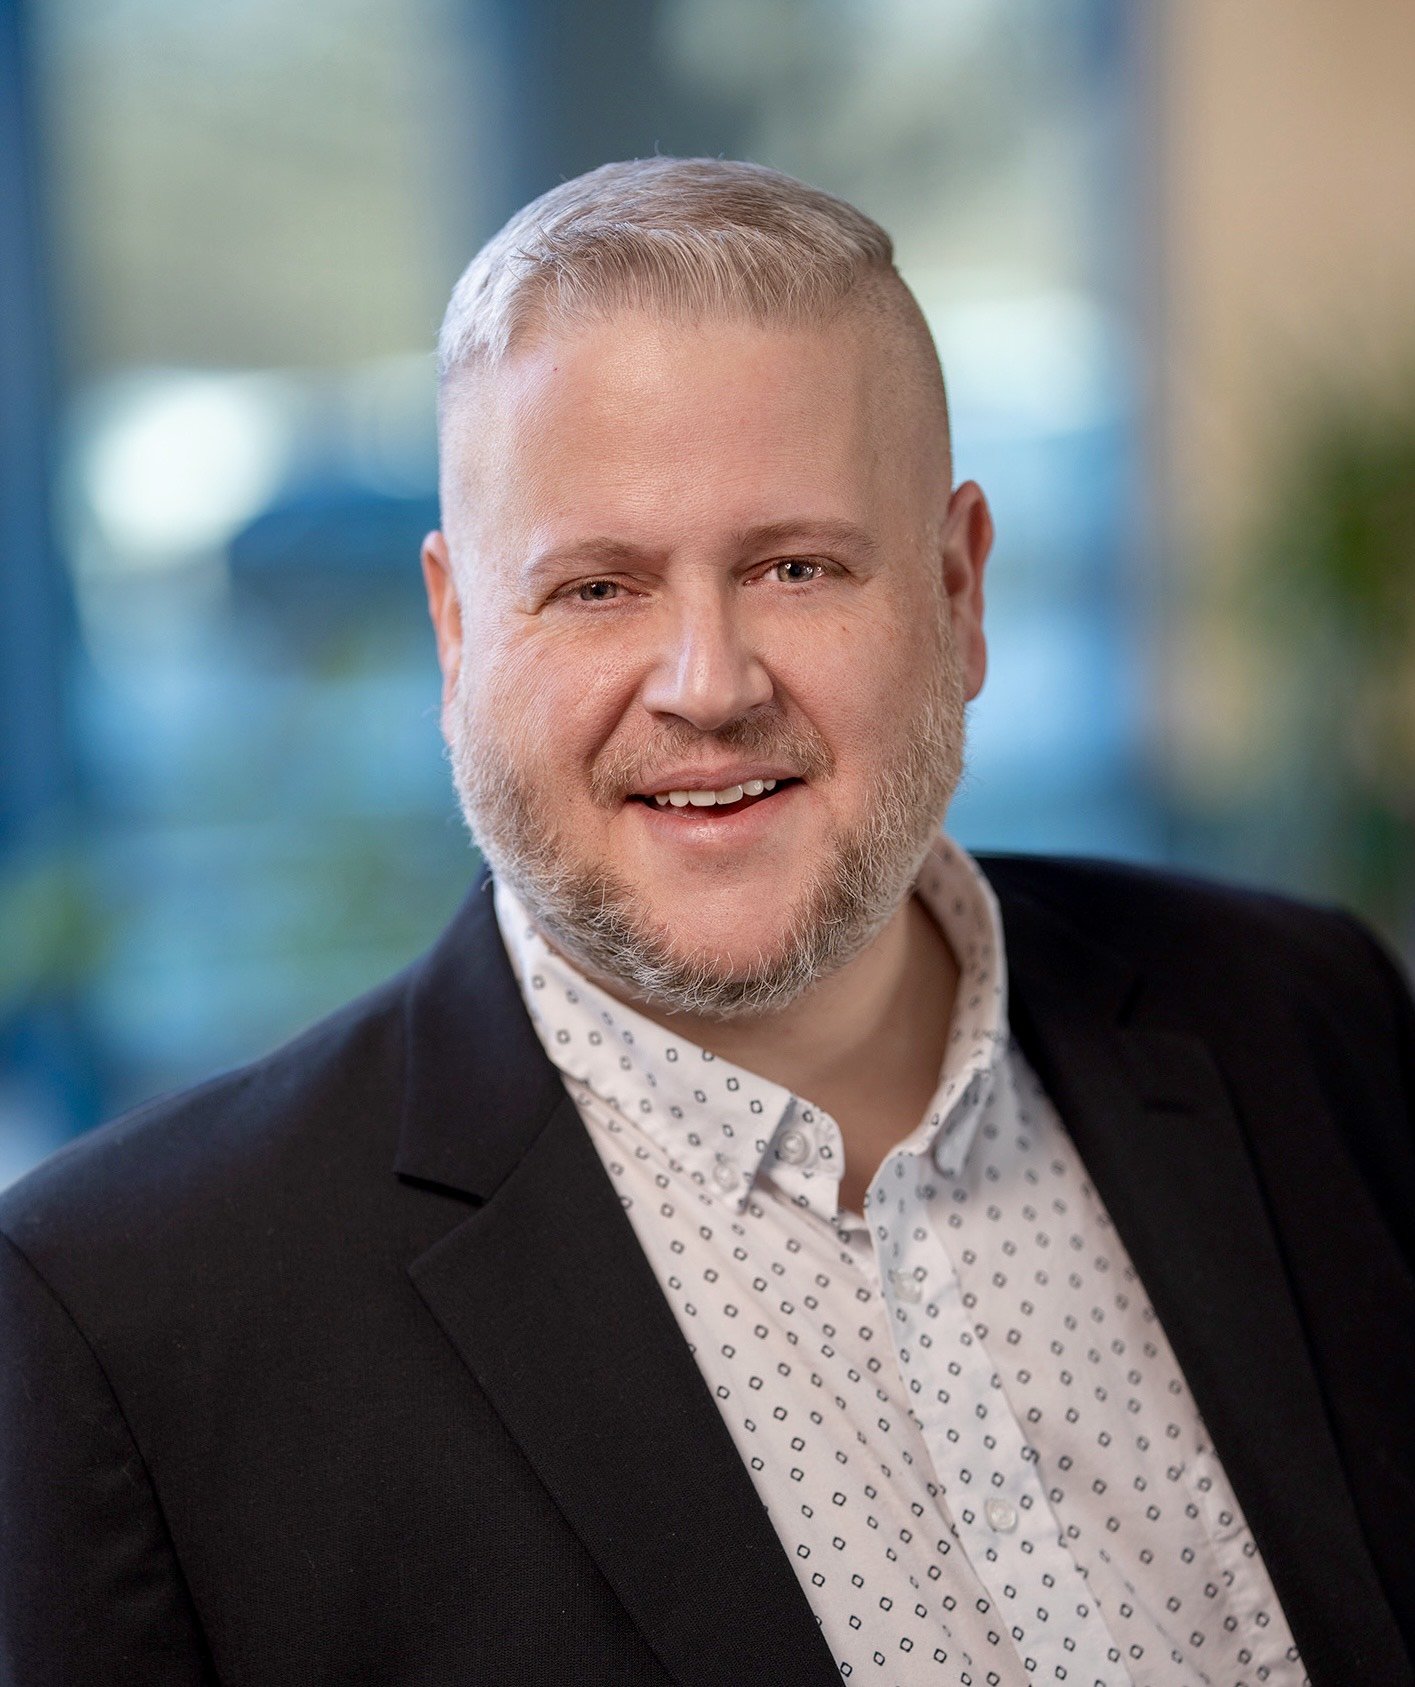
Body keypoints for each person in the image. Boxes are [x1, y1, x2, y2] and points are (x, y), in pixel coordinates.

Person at [1, 158, 1411, 1687]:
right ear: (457, 630)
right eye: (597, 589)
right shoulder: (126, 1324)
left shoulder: (1302, 1018)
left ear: (958, 591)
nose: (707, 685)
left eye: (796, 567)